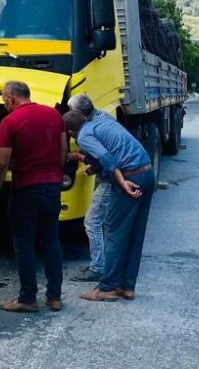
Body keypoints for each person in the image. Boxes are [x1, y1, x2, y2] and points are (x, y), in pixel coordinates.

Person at [0, 81, 67, 313]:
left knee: (24, 244)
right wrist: (56, 174)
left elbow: (2, 161)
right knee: (51, 241)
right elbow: (63, 149)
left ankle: (27, 298)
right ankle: (54, 297)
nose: (5, 105)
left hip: (25, 189)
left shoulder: (10, 121)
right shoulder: (54, 114)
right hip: (52, 187)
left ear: (12, 98)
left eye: (5, 100)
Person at [63, 110, 155, 301]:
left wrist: (122, 183)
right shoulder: (101, 122)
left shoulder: (84, 136)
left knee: (115, 232)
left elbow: (107, 157)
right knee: (135, 234)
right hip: (146, 172)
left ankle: (107, 288)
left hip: (131, 177)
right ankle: (127, 287)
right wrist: (95, 166)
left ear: (71, 133)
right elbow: (113, 150)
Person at [66, 94, 116, 283]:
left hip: (111, 179)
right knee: (103, 221)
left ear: (78, 114)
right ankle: (101, 262)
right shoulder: (103, 116)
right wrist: (94, 166)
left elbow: (107, 158)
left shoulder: (87, 131)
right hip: (110, 175)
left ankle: (97, 268)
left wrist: (80, 157)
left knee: (92, 222)